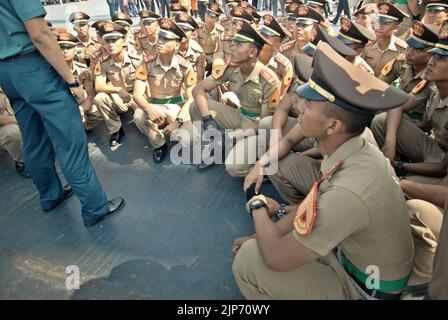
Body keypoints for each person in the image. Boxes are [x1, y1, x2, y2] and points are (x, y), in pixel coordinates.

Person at [234, 42, 413, 300]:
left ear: (332, 126)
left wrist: (258, 206)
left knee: (249, 260)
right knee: (259, 243)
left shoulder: (348, 189)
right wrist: (272, 220)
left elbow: (277, 258)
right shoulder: (357, 148)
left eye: (309, 104)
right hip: (355, 258)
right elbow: (316, 206)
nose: (300, 106)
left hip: (364, 288)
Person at [0, 0, 124, 227]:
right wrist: (72, 80)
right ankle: (95, 208)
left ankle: (50, 196)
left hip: (7, 71)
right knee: (70, 142)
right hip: (34, 68)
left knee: (33, 138)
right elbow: (40, 35)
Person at [189, 19, 281, 174]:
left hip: (257, 127)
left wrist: (235, 134)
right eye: (233, 43)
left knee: (233, 167)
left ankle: (262, 169)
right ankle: (215, 147)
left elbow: (265, 124)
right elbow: (198, 89)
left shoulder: (269, 80)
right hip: (240, 116)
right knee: (195, 107)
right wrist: (208, 121)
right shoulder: (232, 68)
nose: (231, 48)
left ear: (252, 52)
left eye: (238, 45)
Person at [371, 20, 448, 184]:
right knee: (381, 120)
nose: (432, 62)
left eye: (441, 59)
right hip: (433, 147)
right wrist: (390, 144)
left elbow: (442, 168)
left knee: (402, 186)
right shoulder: (435, 89)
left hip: (442, 163)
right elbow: (398, 104)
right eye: (433, 55)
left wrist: (400, 166)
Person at [133, 18, 198, 163]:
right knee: (138, 114)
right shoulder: (146, 63)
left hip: (176, 107)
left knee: (191, 138)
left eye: (166, 39)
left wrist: (178, 121)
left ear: (176, 44)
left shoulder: (185, 66)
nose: (160, 41)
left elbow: (191, 98)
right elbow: (137, 94)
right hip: (155, 105)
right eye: (160, 37)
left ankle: (173, 129)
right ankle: (159, 144)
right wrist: (149, 109)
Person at [56, 31, 103, 132]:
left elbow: (90, 93)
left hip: (79, 104)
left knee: (97, 112)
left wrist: (83, 109)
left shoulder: (82, 69)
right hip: (61, 108)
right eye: (61, 48)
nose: (65, 51)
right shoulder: (52, 71)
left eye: (68, 48)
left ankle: (80, 128)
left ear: (75, 50)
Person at [362, 2, 409, 77]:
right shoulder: (366, 47)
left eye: (386, 23)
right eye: (377, 21)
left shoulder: (403, 50)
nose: (379, 26)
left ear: (397, 27)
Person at [0, 88, 28, 177]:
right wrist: (21, 121)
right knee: (12, 132)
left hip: (16, 117)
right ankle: (22, 161)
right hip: (4, 128)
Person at [196, 3, 225, 75]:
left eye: (212, 17)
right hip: (200, 57)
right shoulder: (198, 29)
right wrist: (202, 58)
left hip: (214, 58)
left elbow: (219, 50)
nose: (209, 19)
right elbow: (196, 48)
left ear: (217, 19)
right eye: (207, 15)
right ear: (205, 14)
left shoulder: (220, 31)